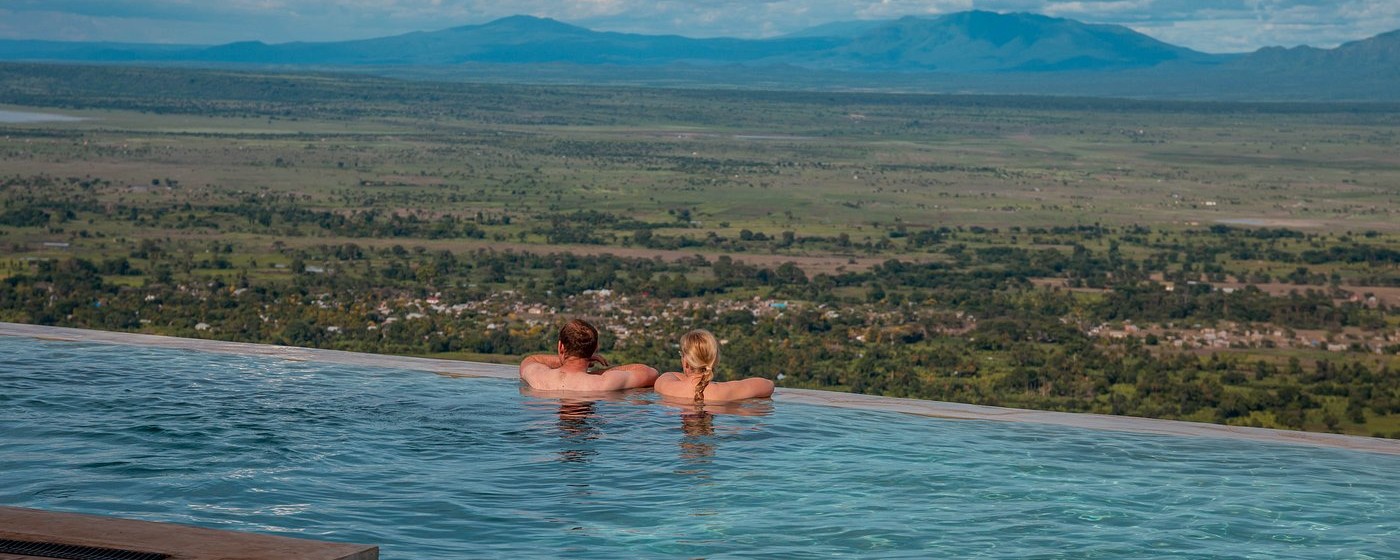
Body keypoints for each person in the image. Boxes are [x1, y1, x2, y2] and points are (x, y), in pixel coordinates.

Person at [519, 319, 659, 391]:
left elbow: (531, 359)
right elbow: (650, 373)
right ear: (595, 349)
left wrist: (565, 360)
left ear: (561, 346)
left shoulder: (538, 376)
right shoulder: (604, 382)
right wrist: (599, 372)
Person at [655, 329, 774, 406]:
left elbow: (668, 375)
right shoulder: (725, 391)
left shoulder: (667, 386)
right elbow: (768, 385)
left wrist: (688, 379)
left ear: (686, 362)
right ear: (715, 360)